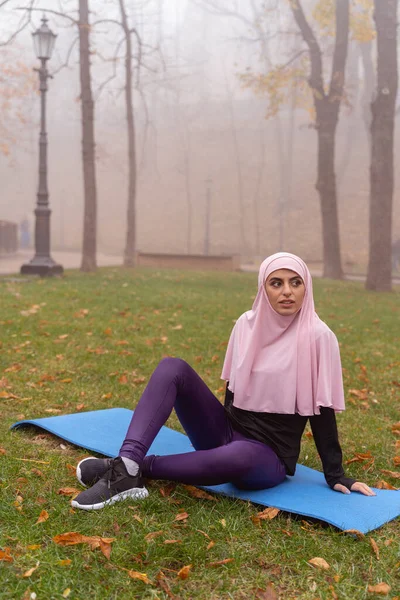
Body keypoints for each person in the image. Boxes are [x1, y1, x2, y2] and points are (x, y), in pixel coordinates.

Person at [71, 252, 375, 511]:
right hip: (227, 432)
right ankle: (127, 463)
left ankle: (133, 470)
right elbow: (232, 391)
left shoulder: (319, 337)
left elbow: (322, 412)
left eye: (295, 283)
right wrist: (216, 432)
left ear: (306, 288)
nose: (287, 292)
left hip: (266, 457)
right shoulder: (247, 324)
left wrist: (335, 474)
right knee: (172, 367)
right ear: (263, 289)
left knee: (240, 454)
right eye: (276, 283)